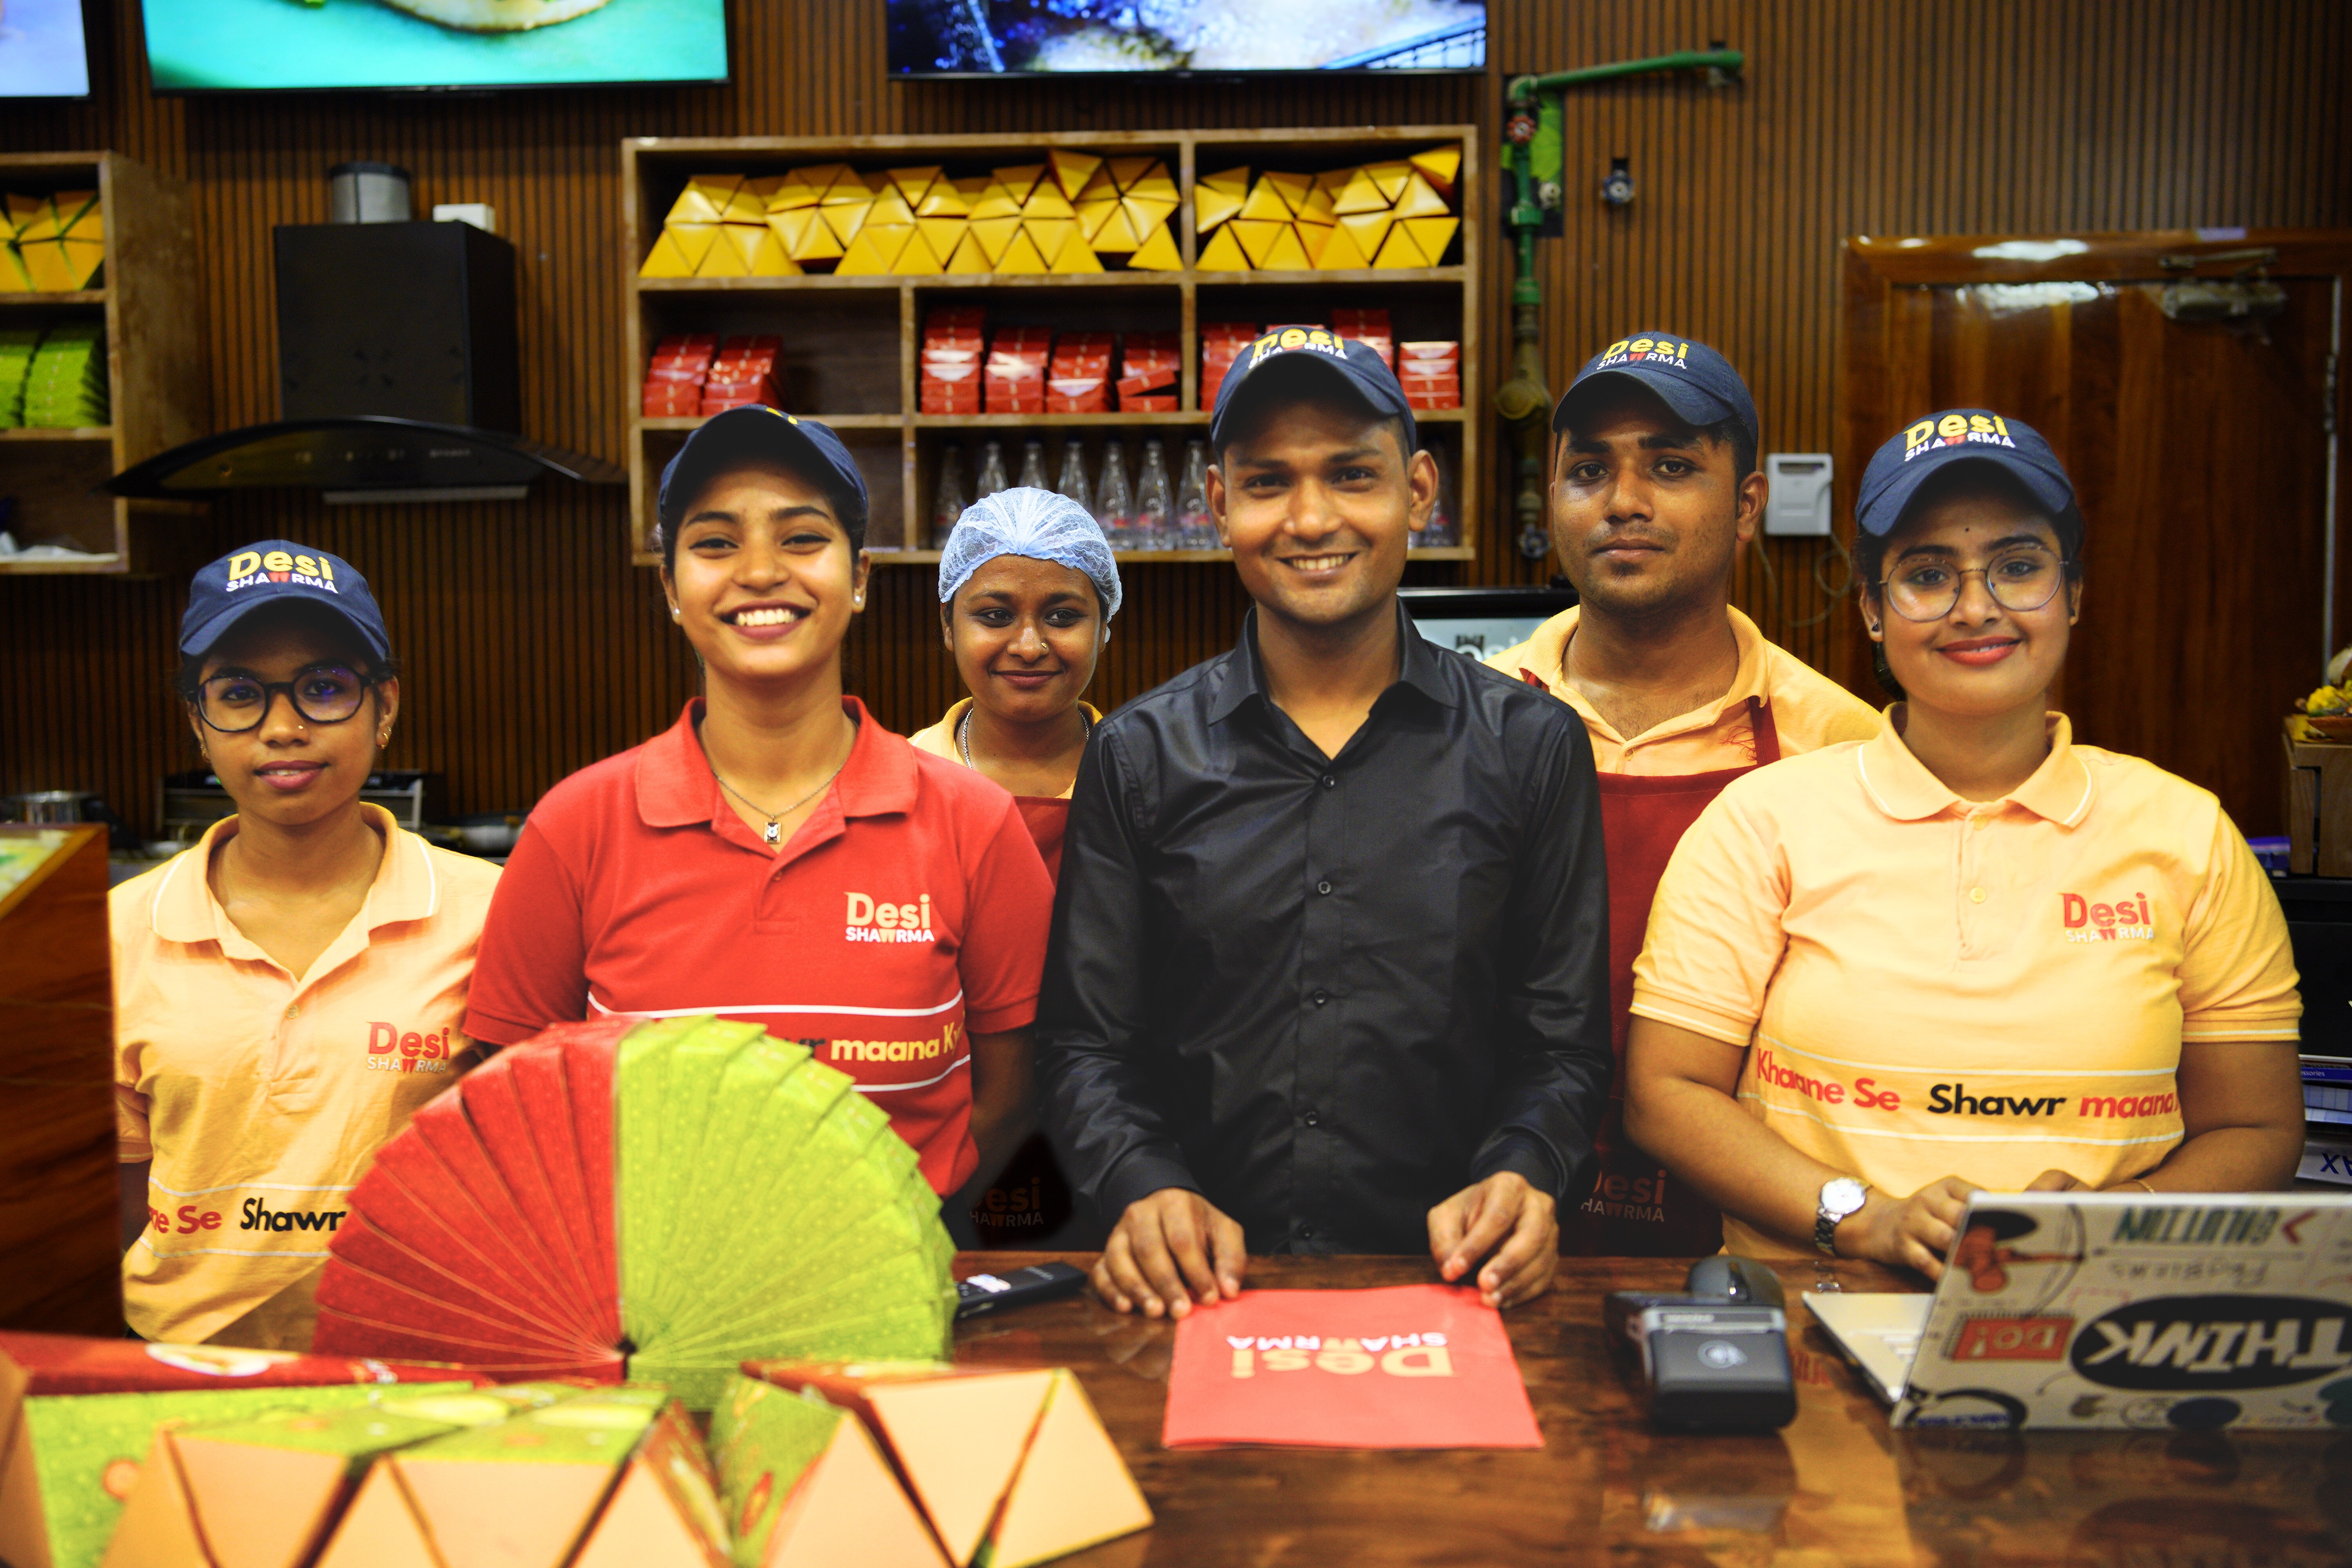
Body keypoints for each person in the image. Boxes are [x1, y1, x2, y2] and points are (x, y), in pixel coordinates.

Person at [1622, 409, 2303, 1274]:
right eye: (1927, 574)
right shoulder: (1762, 821)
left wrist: (2117, 1221)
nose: (1976, 607)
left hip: (2093, 1325)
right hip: (1810, 1325)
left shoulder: (2189, 833)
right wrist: (1863, 1216)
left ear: (2075, 593)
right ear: (1872, 607)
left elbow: (2258, 1127)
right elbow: (1666, 1093)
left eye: (2018, 567)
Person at [1037, 328, 1612, 1317]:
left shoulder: (1533, 747)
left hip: (1457, 1298)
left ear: (1419, 492)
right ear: (1218, 505)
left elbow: (1562, 1047)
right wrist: (1145, 1184)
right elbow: (1088, 1045)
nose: (1310, 519)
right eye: (1267, 483)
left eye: (1352, 474)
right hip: (1194, 1298)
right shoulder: (1137, 755)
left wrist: (1523, 1168)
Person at [463, 408, 1056, 1206]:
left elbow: (1011, 1090)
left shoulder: (973, 821)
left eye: (802, 537)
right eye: (715, 542)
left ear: (860, 577)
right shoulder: (575, 826)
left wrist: (893, 1221)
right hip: (644, 1312)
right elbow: (513, 1098)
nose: (761, 570)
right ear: (671, 587)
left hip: (898, 1298)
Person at [1486, 331, 1879, 1255]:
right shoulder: (1472, 719)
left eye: (1669, 466)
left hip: (1760, 1226)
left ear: (1746, 506)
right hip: (1493, 1209)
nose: (1623, 502)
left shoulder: (1844, 742)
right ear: (1554, 502)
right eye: (1588, 470)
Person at [112, 541, 501, 1348]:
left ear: (384, 705)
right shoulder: (118, 931)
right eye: (241, 694)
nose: (283, 728)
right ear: (198, 719)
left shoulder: (490, 914)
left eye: (324, 688)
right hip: (182, 1374)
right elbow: (112, 1202)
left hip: (415, 1368)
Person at [909, 486, 1121, 881]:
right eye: (995, 615)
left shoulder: (1147, 783)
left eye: (1062, 617)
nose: (1028, 647)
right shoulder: (900, 783)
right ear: (948, 625)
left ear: (1103, 627)